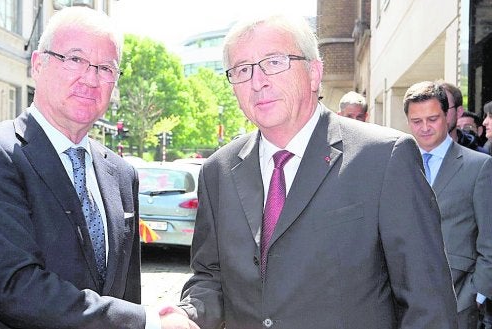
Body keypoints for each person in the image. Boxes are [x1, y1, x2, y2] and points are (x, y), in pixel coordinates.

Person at [169, 13, 458, 329]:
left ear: (313, 73)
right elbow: (211, 277)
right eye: (242, 70)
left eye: (274, 62)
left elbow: (428, 304)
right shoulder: (217, 172)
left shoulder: (385, 158)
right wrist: (189, 314)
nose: (257, 81)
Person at [0, 7, 197, 329]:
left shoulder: (121, 173)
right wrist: (148, 321)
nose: (90, 78)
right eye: (75, 59)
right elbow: (15, 288)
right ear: (38, 64)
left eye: (106, 67)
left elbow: (124, 293)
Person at [403, 81, 492, 329]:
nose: (425, 128)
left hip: (459, 300)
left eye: (432, 119)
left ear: (448, 115)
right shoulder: (395, 166)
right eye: (416, 121)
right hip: (405, 302)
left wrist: (477, 294)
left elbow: (490, 239)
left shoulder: (479, 167)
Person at [439, 80, 484, 152]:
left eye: (445, 108)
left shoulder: (481, 158)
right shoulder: (416, 152)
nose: (437, 115)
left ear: (459, 112)